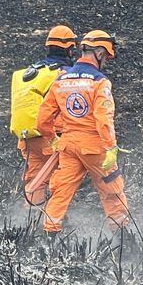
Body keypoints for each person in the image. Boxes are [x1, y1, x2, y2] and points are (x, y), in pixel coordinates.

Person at [36, 29, 130, 235]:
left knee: (60, 191)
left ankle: (49, 234)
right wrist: (111, 147)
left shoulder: (61, 79)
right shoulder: (100, 82)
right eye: (106, 57)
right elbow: (104, 119)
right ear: (99, 52)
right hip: (95, 147)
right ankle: (122, 236)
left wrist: (52, 139)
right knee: (112, 190)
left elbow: (43, 118)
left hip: (68, 146)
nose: (105, 61)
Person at [10, 25, 78, 203]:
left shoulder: (31, 72)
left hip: (27, 137)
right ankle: (53, 220)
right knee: (59, 178)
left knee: (35, 179)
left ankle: (32, 218)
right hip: (51, 137)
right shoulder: (64, 73)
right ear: (70, 50)